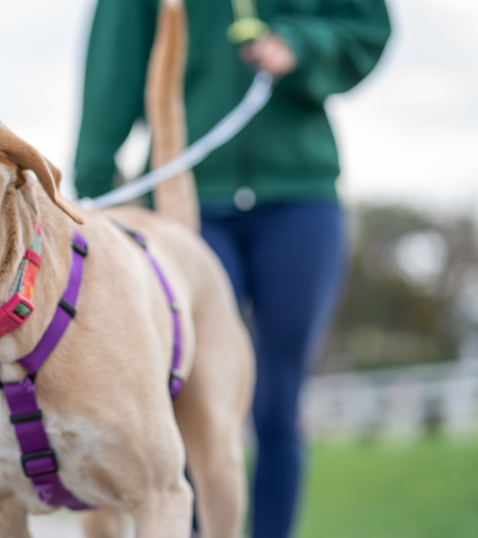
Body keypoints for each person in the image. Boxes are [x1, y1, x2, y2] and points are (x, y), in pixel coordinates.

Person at [73, 1, 391, 537]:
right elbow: (113, 67)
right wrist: (96, 191)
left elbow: (367, 27)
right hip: (183, 194)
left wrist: (303, 43)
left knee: (277, 402)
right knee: (188, 400)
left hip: (299, 198)